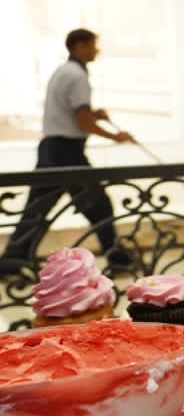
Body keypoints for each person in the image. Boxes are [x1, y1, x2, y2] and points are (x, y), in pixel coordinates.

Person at [1, 28, 137, 277]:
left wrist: (94, 114)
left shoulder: (63, 71)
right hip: (67, 151)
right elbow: (82, 121)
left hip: (51, 149)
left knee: (37, 209)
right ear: (81, 46)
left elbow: (72, 111)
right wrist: (115, 136)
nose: (96, 50)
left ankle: (12, 261)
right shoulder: (78, 76)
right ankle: (117, 258)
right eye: (93, 45)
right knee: (99, 205)